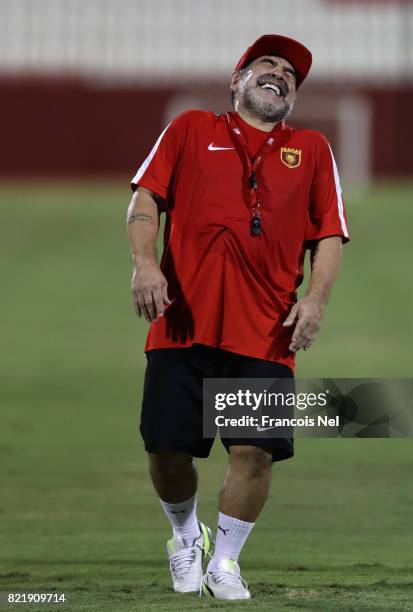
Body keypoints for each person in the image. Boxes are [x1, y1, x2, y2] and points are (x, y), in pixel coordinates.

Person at [127, 34, 349, 600]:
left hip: (268, 331)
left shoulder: (314, 150)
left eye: (290, 75)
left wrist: (316, 301)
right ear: (237, 80)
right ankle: (184, 537)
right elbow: (145, 198)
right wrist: (145, 266)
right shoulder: (189, 129)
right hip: (182, 322)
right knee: (166, 448)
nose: (279, 74)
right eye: (266, 66)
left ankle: (225, 562)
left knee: (255, 450)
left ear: (293, 97)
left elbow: (328, 235)